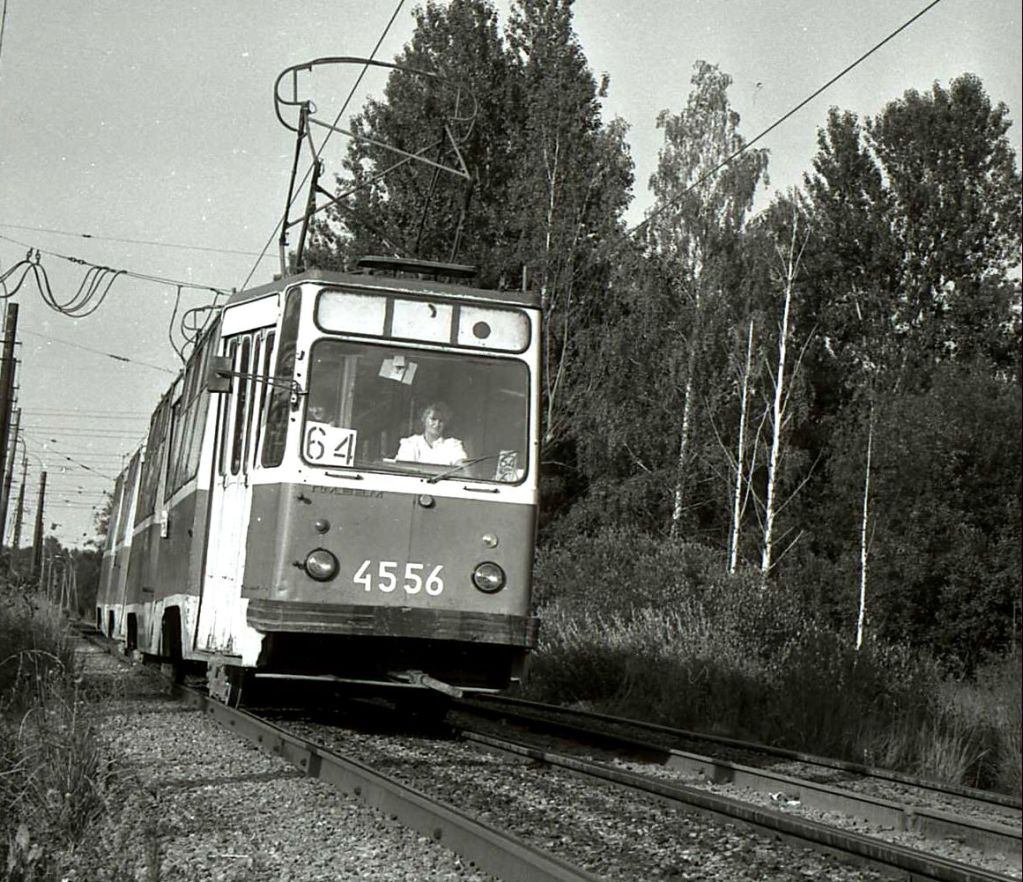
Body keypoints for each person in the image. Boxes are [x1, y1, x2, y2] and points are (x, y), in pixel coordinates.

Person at [395, 401, 467, 465]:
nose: (437, 424)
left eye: (441, 421)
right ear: (424, 419)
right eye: (433, 419)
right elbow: (405, 468)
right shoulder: (410, 443)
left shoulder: (452, 445)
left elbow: (462, 466)